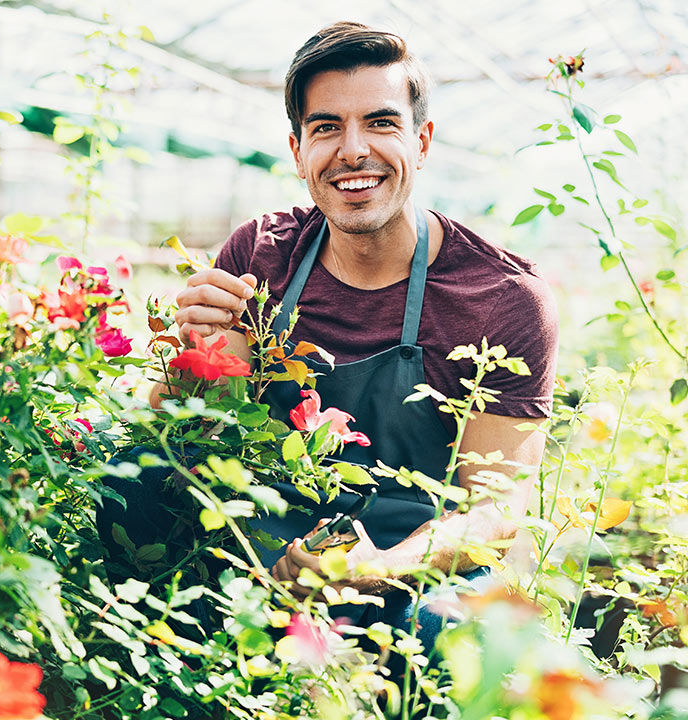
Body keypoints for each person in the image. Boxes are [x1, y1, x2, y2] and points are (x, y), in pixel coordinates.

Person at [113, 21, 558, 648]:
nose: (352, 151)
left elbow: (495, 510)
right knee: (130, 479)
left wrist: (378, 568)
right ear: (297, 152)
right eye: (326, 128)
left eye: (380, 123)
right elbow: (198, 432)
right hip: (261, 537)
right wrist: (189, 362)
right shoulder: (261, 256)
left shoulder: (501, 298)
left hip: (412, 564)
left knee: (448, 632)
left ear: (421, 140)